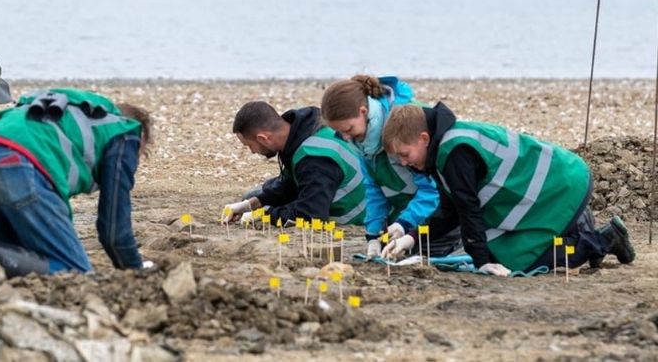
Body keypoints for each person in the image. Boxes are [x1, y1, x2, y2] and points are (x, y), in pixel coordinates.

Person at [380, 102, 635, 276]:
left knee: (518, 261)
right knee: (499, 251)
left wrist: (482, 263)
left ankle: (604, 240)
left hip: (562, 185)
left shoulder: (454, 152)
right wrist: (411, 238)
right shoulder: (442, 148)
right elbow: (450, 212)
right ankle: (578, 228)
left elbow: (468, 211)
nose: (403, 163)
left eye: (405, 154)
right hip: (553, 186)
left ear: (424, 139)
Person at [0, 88, 153, 275]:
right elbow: (114, 231)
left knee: (10, 264)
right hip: (15, 168)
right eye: (140, 154)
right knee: (73, 272)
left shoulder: (67, 114)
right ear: (140, 136)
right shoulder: (125, 131)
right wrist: (134, 272)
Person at [320, 75, 457, 260]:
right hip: (409, 212)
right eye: (340, 132)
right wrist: (373, 234)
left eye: (348, 129)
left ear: (363, 111)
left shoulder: (403, 132)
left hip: (444, 213)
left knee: (431, 253)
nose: (345, 138)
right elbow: (374, 188)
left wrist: (404, 224)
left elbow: (432, 190)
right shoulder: (363, 142)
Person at [222, 101, 369, 226]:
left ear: (263, 138)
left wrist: (266, 214)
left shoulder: (315, 158)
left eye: (249, 145)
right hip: (327, 190)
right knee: (253, 195)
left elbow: (311, 214)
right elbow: (291, 184)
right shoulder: (302, 129)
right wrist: (253, 204)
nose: (252, 152)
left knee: (264, 199)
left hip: (356, 213)